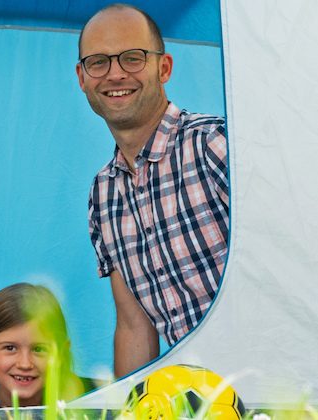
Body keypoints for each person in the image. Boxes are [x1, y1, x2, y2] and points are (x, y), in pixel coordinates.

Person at [75, 4, 229, 377]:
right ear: (82, 78)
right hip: (188, 396)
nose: (115, 74)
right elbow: (134, 326)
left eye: (132, 58)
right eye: (98, 62)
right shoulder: (103, 194)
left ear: (164, 68)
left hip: (275, 388)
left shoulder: (215, 144)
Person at [0, 283, 83, 411]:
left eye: (39, 349)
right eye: (10, 348)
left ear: (61, 354)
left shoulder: (80, 403)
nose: (25, 364)